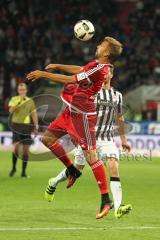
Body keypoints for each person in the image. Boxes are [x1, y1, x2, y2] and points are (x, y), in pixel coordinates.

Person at [26, 36, 123, 219]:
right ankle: (71, 169)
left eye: (101, 45)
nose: (98, 45)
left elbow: (71, 79)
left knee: (91, 156)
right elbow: (79, 70)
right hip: (71, 111)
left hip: (84, 117)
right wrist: (58, 65)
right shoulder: (96, 65)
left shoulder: (100, 68)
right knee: (47, 139)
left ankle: (106, 199)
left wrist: (44, 74)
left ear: (107, 52)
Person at [44, 79, 132, 219]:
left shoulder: (117, 95)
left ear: (111, 74)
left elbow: (119, 118)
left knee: (114, 167)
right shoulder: (90, 91)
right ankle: (53, 182)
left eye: (108, 70)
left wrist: (124, 140)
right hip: (87, 135)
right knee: (77, 169)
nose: (105, 72)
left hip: (106, 139)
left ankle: (118, 207)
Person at [8, 83, 38, 177]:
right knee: (16, 148)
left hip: (26, 127)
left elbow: (33, 113)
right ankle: (13, 168)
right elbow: (11, 111)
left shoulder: (30, 101)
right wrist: (20, 101)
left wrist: (36, 125)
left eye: (23, 90)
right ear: (18, 91)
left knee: (26, 150)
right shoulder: (14, 99)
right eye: (20, 90)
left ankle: (23, 172)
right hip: (16, 125)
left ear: (26, 90)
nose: (22, 91)